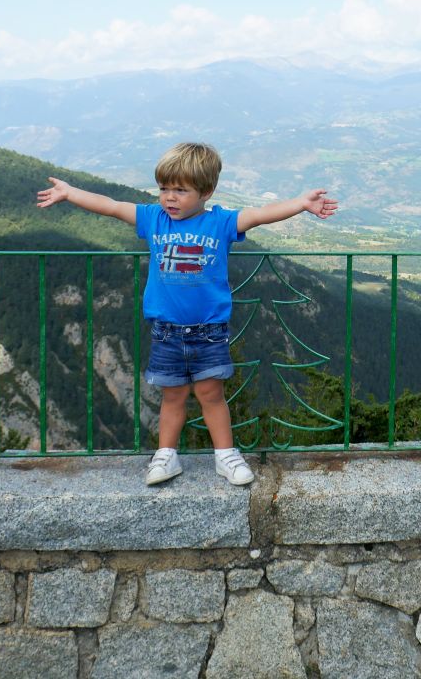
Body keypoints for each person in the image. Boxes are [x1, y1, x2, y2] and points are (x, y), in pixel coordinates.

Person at [36, 142, 337, 486]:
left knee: (211, 395)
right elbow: (112, 206)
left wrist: (300, 204)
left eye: (181, 190)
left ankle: (225, 455)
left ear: (206, 191)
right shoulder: (154, 219)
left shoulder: (221, 222)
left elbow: (259, 214)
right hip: (166, 332)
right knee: (172, 397)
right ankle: (166, 455)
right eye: (164, 188)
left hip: (210, 331)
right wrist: (71, 192)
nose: (170, 197)